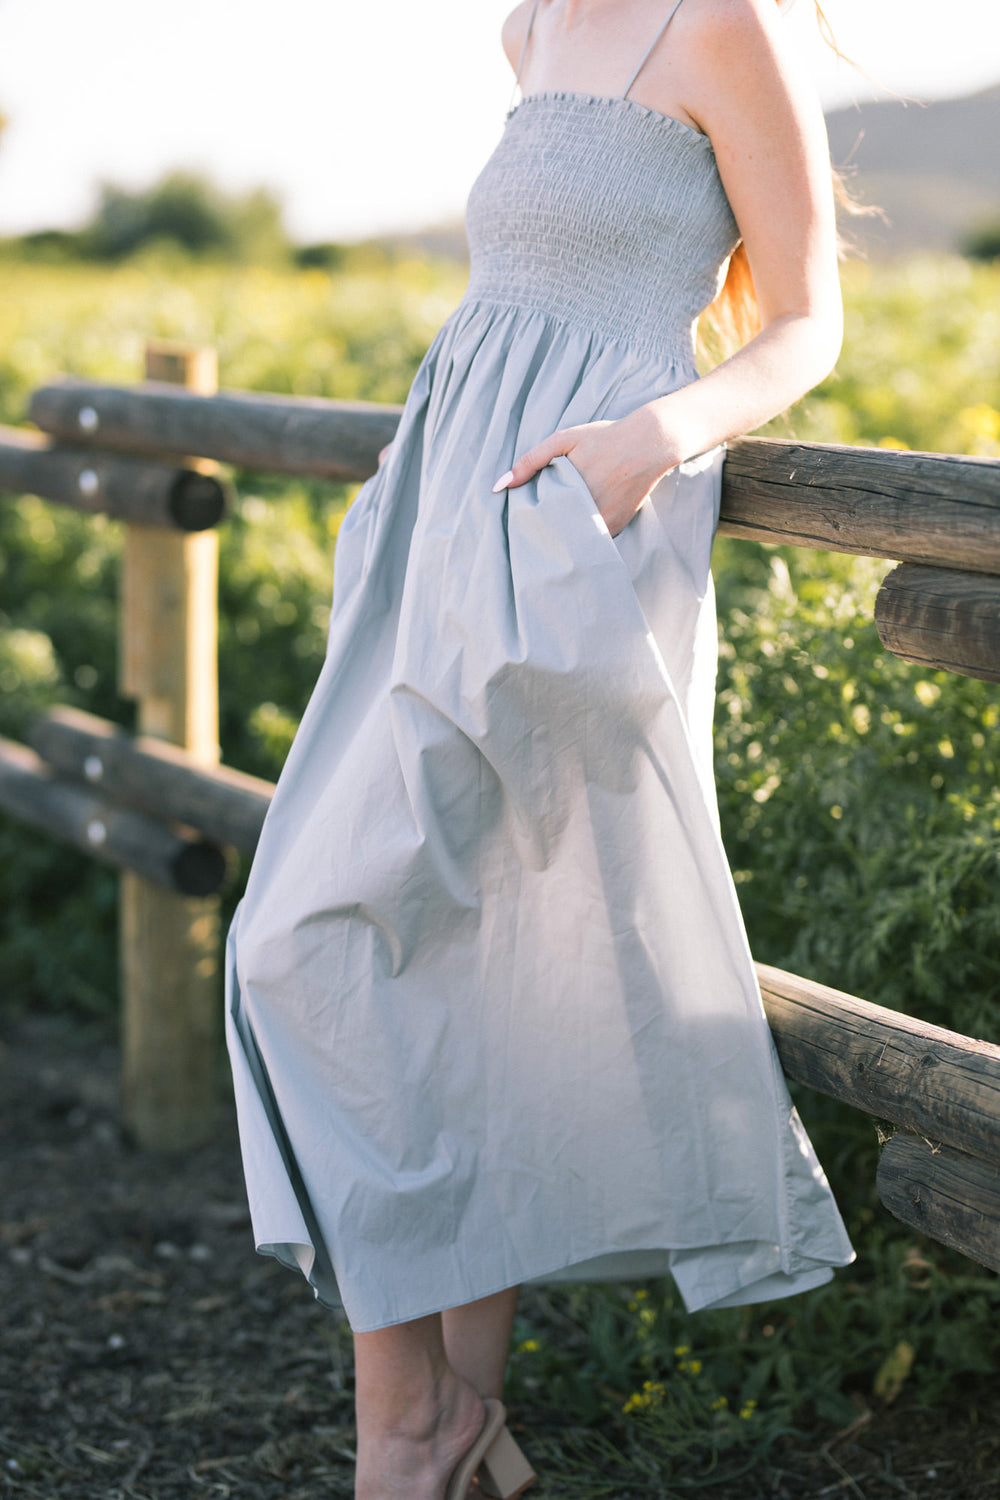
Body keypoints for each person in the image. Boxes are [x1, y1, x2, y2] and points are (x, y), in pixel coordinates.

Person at [224, 1, 856, 1495]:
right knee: (434, 949)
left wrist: (658, 438)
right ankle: (456, 1416)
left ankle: (410, 1431)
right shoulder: (531, 27)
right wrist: (412, 474)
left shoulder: (724, 21)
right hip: (444, 515)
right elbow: (512, 299)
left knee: (306, 944)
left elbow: (808, 318)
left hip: (582, 529)